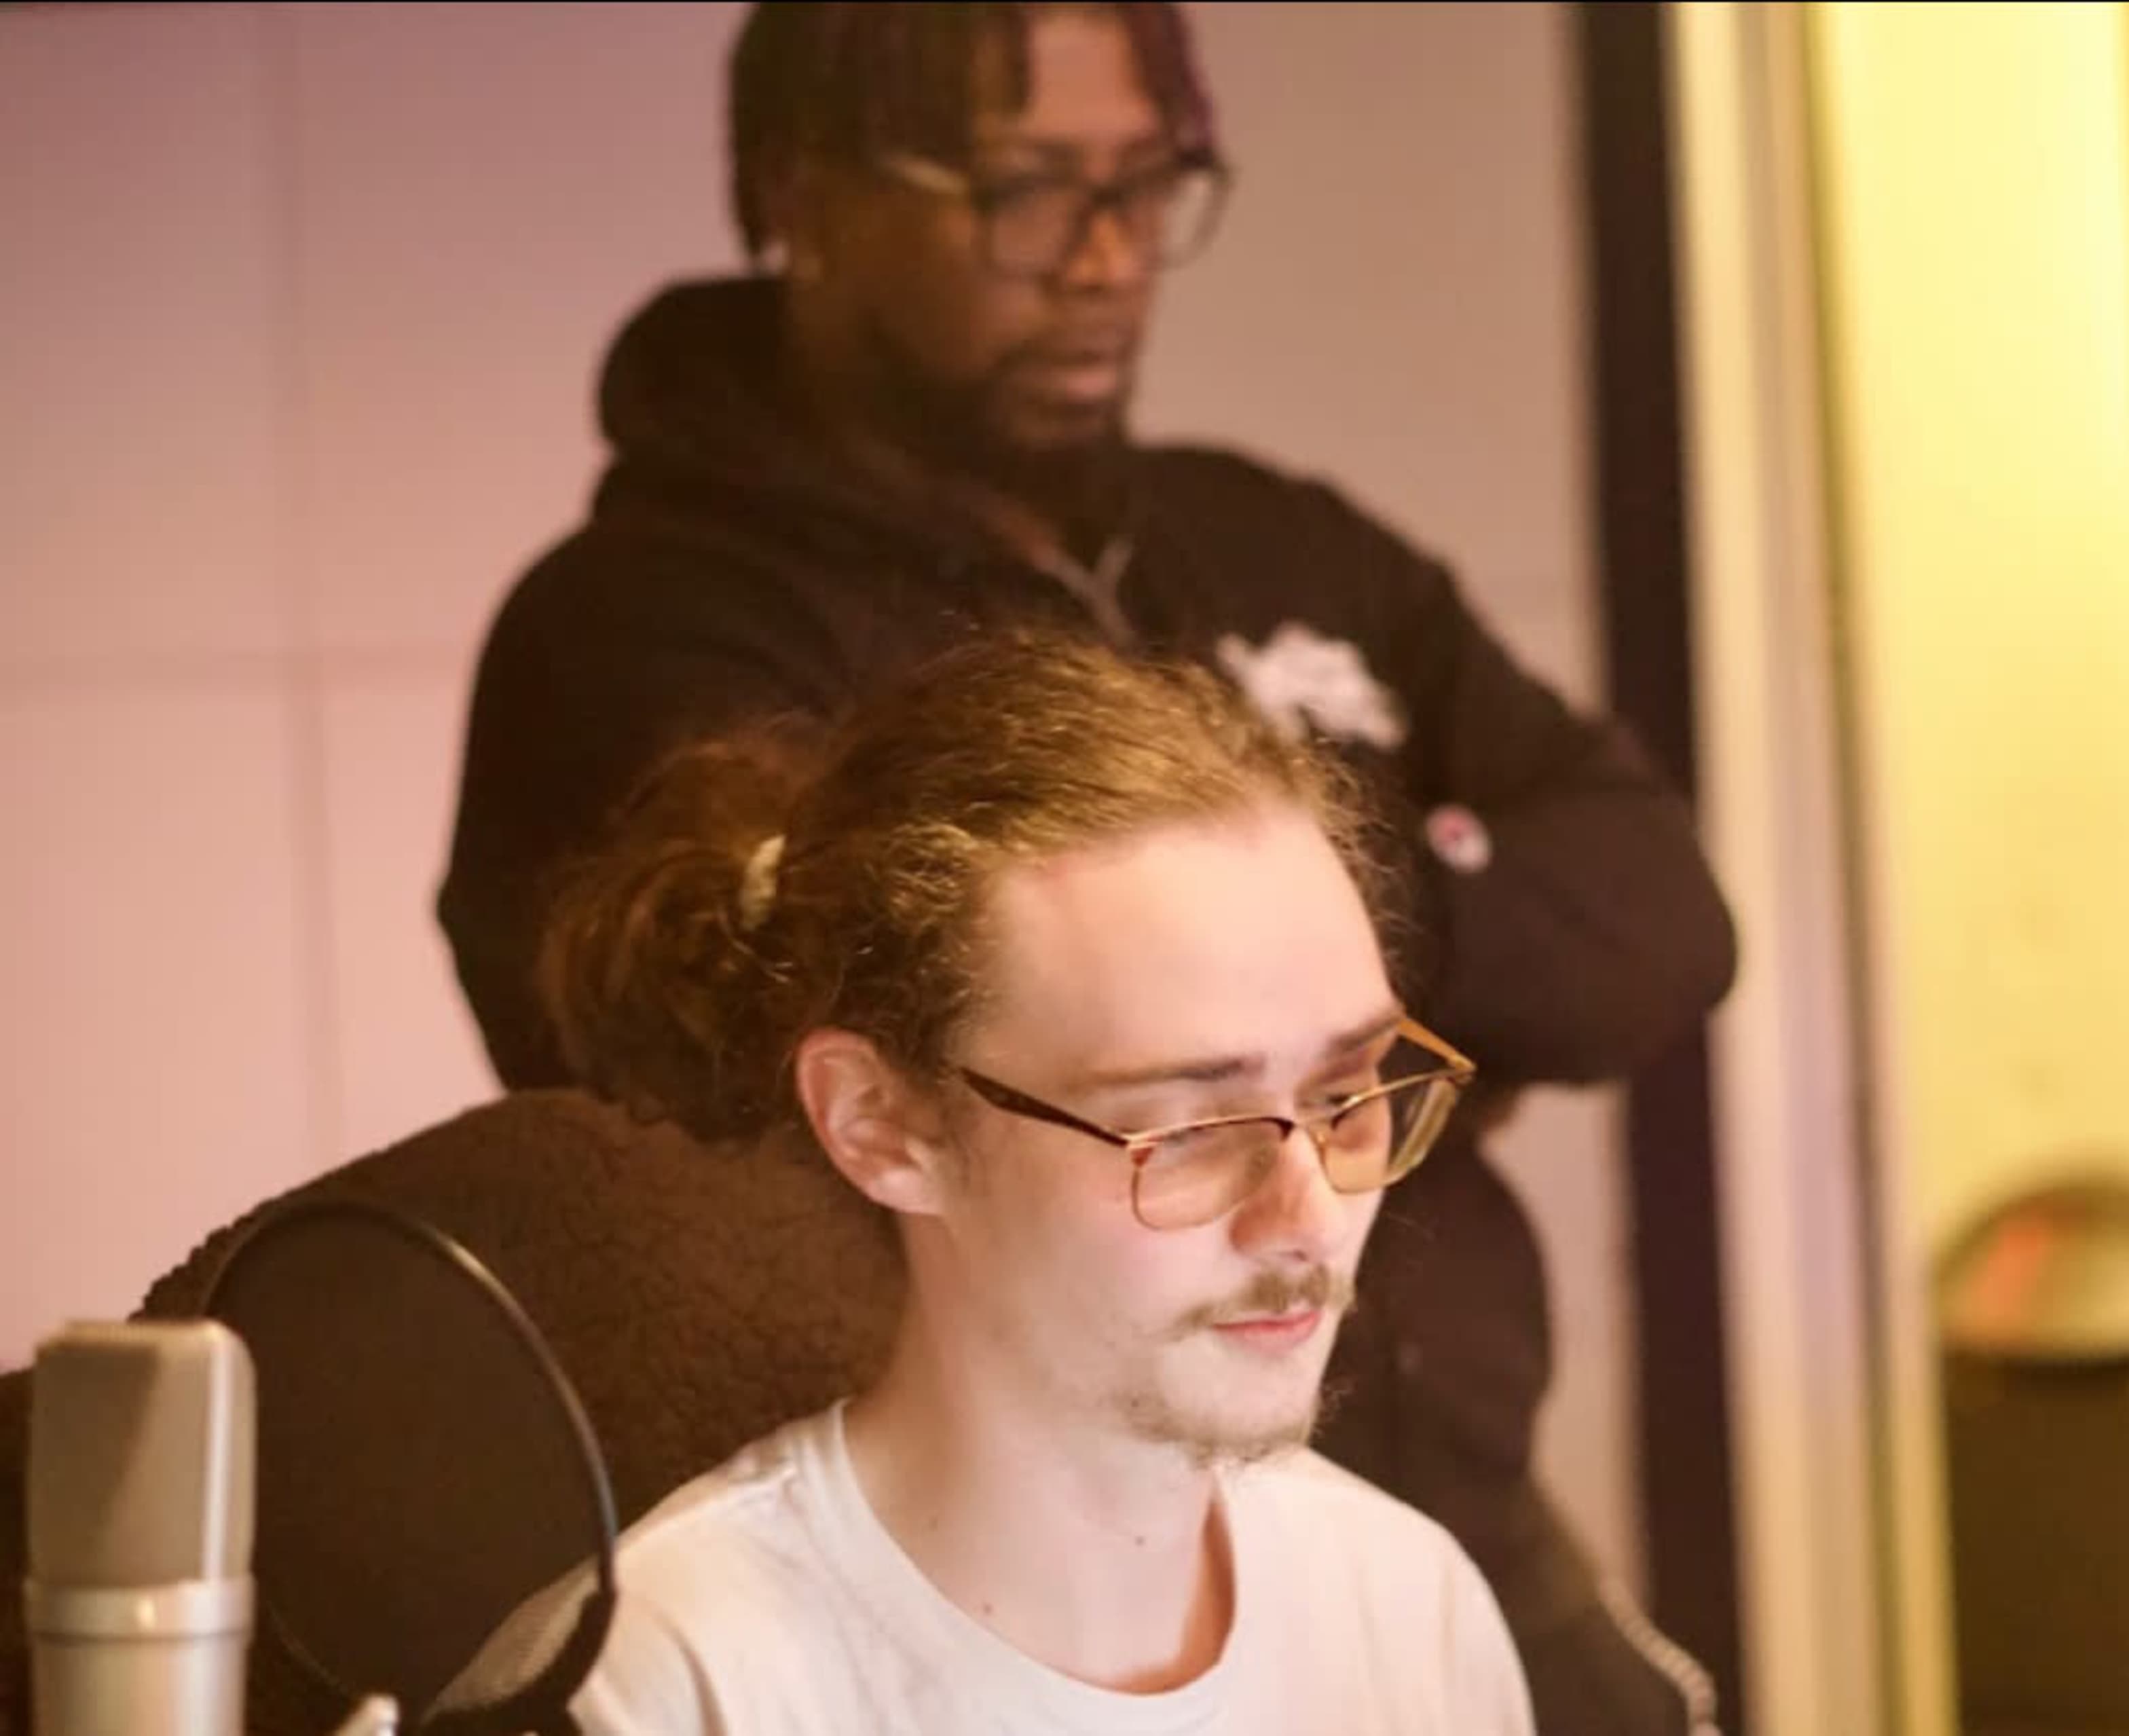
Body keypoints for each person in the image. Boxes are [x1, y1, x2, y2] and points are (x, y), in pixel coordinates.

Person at [436, 3, 1738, 1724]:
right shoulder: (650, 627)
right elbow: (714, 1100)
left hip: (1414, 1523)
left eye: (1148, 183)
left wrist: (1266, 966)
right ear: (805, 194)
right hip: (950, 1581)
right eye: (1029, 191)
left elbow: (1658, 910)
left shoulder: (1271, 536)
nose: (1110, 258)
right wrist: (1368, 905)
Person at [444, 633, 1534, 1733]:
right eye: (1193, 1125)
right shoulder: (663, 1688)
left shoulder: (1409, 1617)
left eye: (1346, 1090)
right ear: (882, 1125)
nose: (1309, 1216)